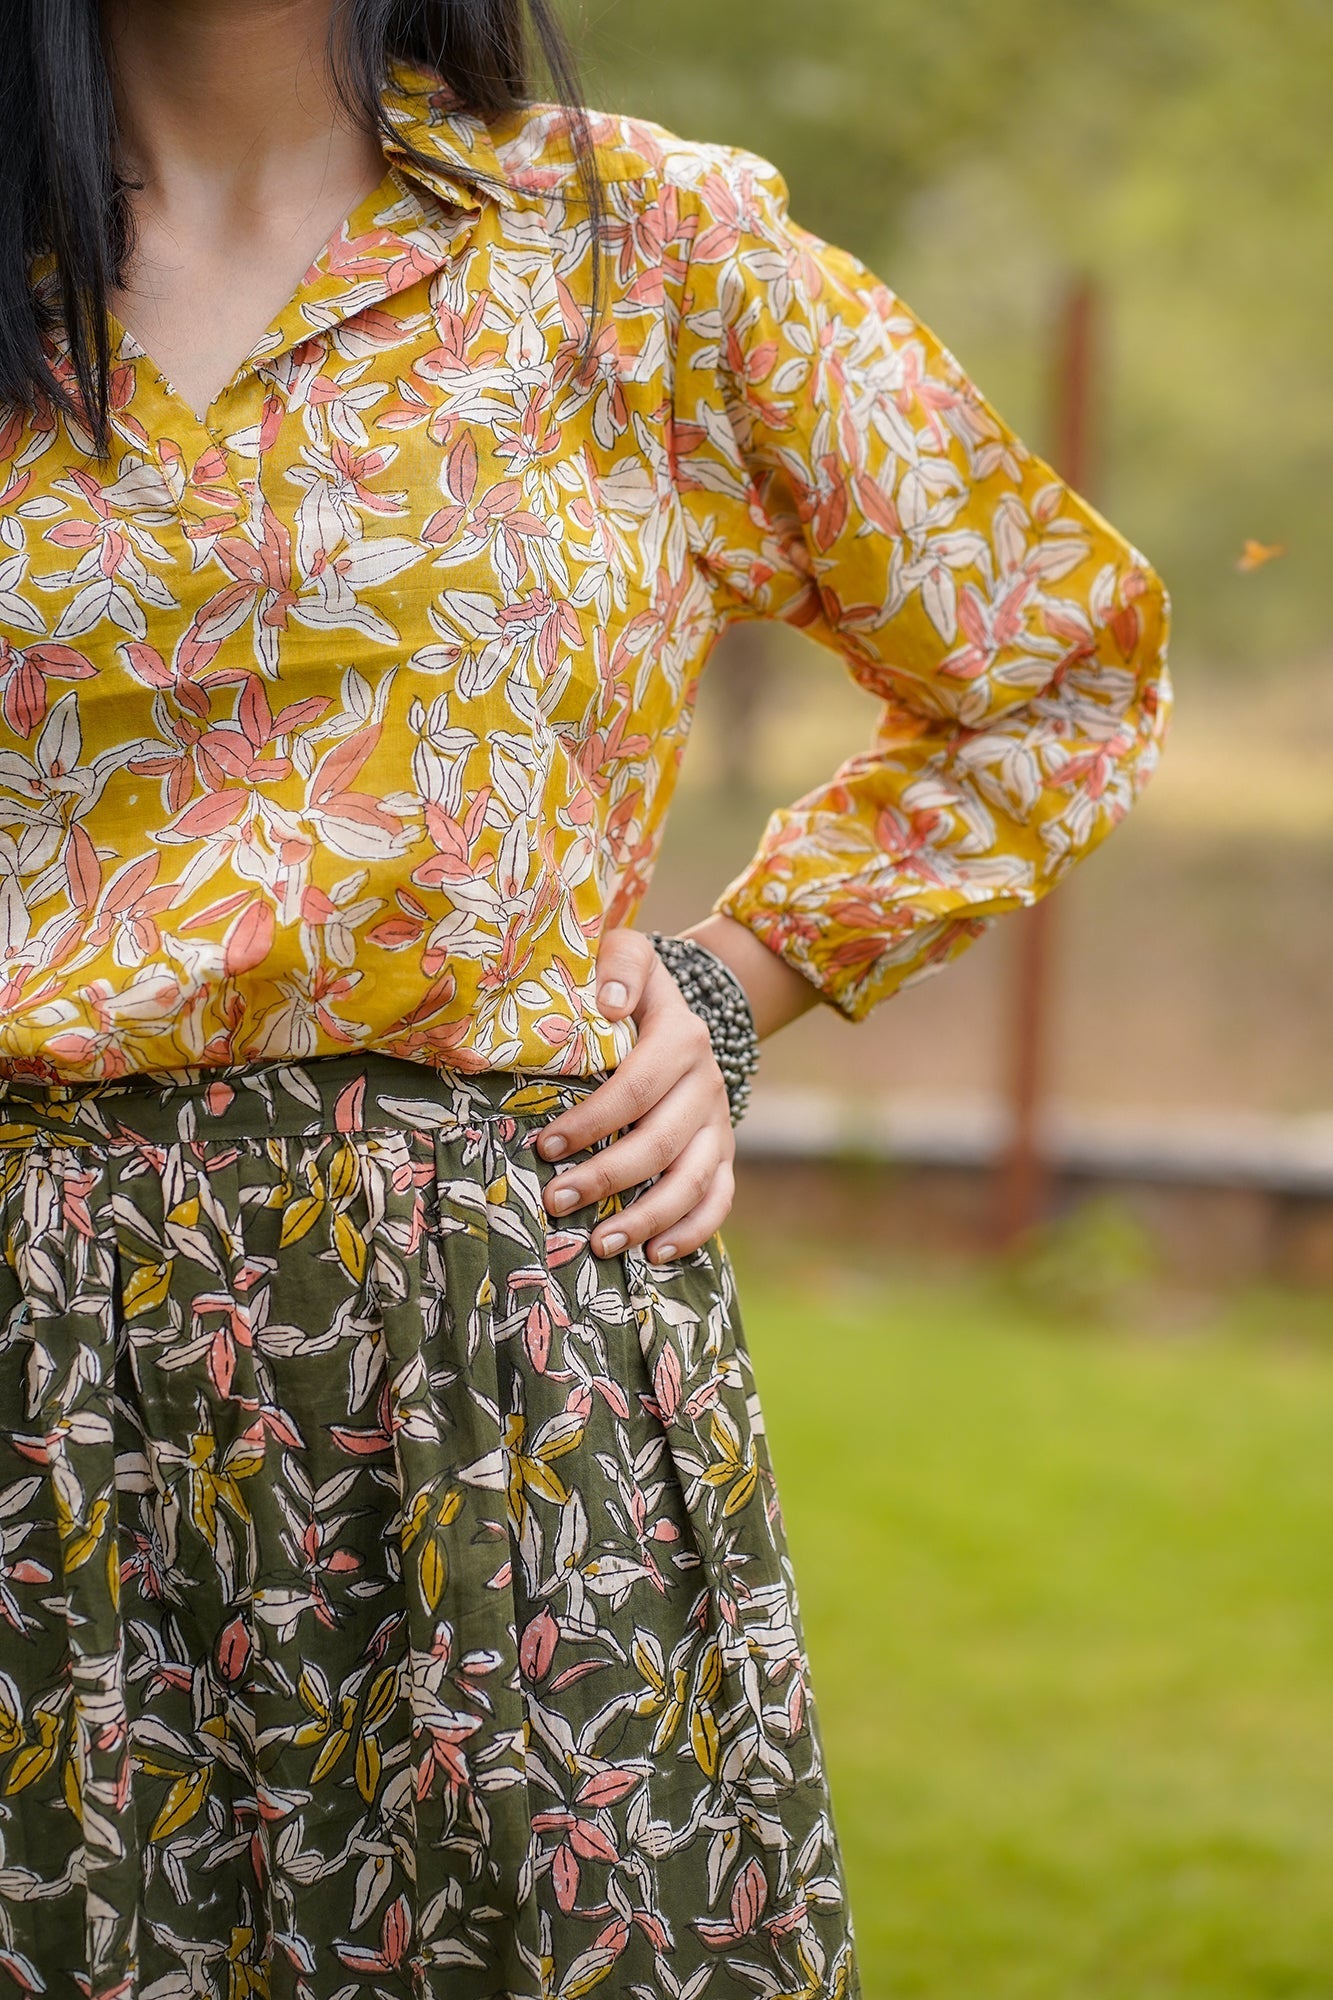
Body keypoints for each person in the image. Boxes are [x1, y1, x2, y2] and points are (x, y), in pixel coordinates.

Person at [0, 2, 1171, 1994]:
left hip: (502, 1372)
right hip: (34, 1386)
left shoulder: (642, 250)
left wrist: (735, 980)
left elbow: (1052, 660)